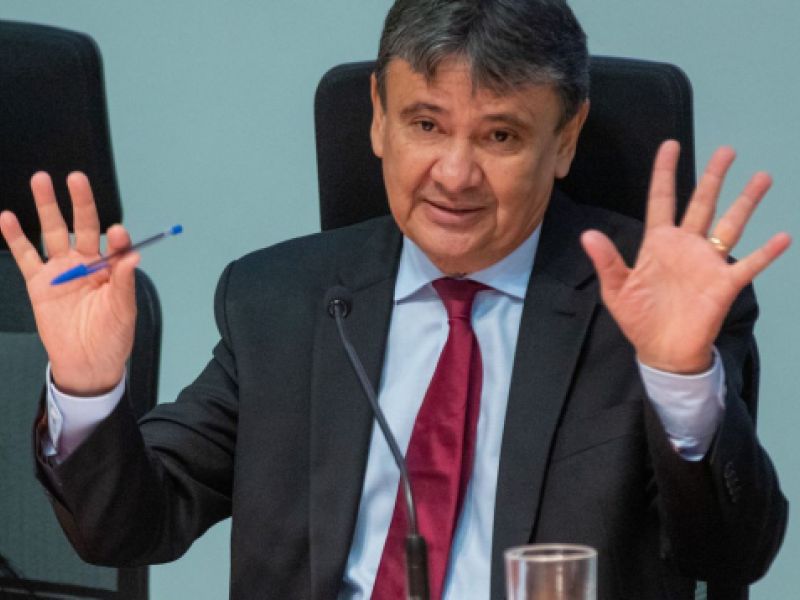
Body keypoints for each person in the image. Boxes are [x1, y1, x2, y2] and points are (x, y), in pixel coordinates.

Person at [0, 1, 790, 598]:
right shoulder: (279, 301)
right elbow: (131, 526)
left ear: (566, 139)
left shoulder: (647, 308)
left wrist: (678, 377)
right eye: (426, 124)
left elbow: (728, 556)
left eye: (500, 136)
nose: (454, 174)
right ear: (378, 117)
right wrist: (87, 388)